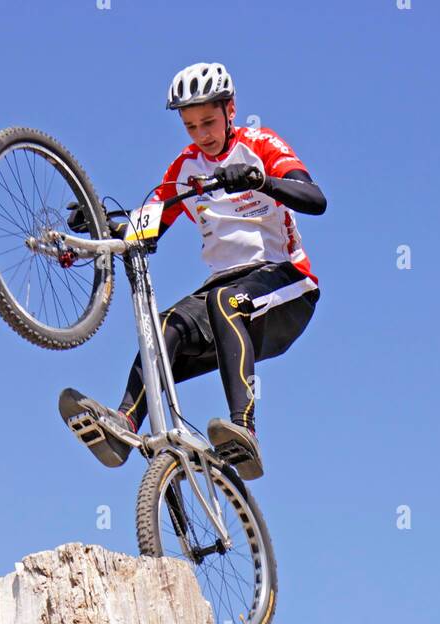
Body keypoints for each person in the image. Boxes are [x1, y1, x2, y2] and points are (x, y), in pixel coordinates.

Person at [59, 60, 327, 481]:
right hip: (225, 289)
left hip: (286, 286)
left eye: (208, 122)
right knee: (165, 327)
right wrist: (94, 224)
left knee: (225, 301)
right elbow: (145, 227)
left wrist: (259, 180)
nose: (202, 135)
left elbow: (315, 199)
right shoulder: (185, 169)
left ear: (230, 110)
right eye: (190, 126)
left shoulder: (260, 145)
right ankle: (124, 425)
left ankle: (244, 429)